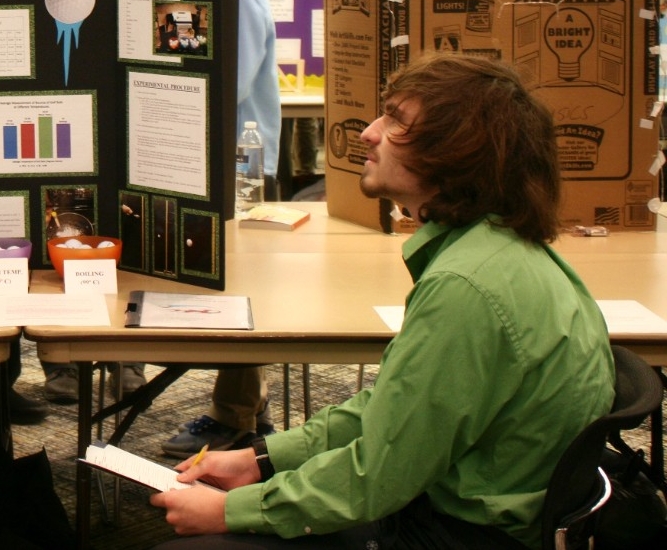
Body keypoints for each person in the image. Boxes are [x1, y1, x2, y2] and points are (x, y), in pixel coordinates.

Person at [149, 53, 615, 549]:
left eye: (395, 120)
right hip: (470, 512)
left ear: (456, 152)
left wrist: (231, 511)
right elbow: (392, 410)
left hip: (454, 534)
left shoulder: (467, 288)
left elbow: (380, 473)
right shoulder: (503, 252)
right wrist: (261, 459)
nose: (369, 132)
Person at [160, 0, 281, 457]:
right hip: (218, 156)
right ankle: (244, 407)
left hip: (241, 163)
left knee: (243, 284)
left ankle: (237, 413)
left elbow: (220, 84)